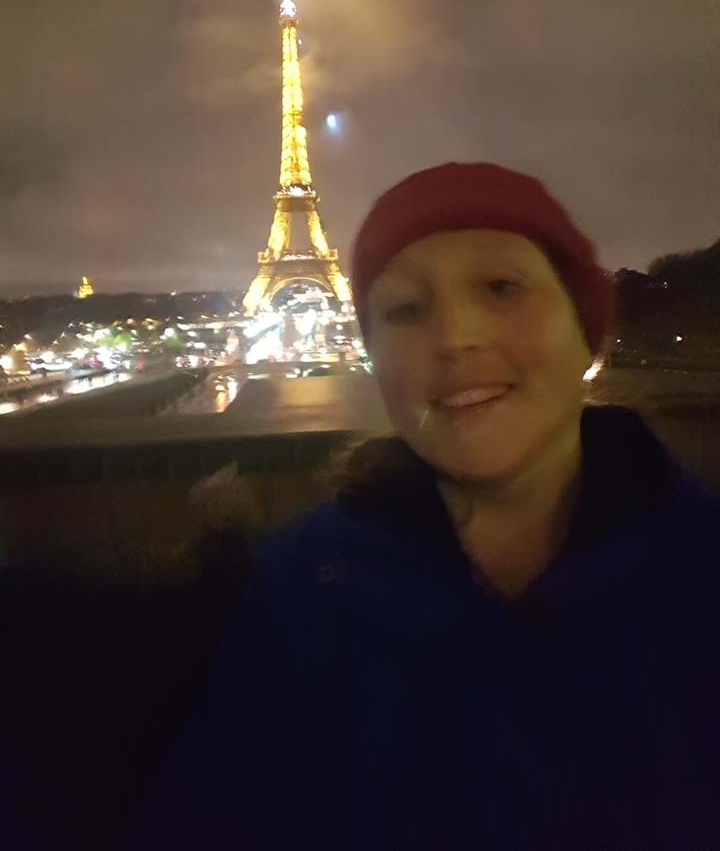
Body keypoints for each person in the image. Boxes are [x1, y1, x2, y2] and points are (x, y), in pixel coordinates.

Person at [134, 163, 720, 851]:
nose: (455, 338)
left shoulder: (306, 584)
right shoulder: (290, 591)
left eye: (502, 287)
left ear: (589, 332)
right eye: (407, 310)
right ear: (377, 359)